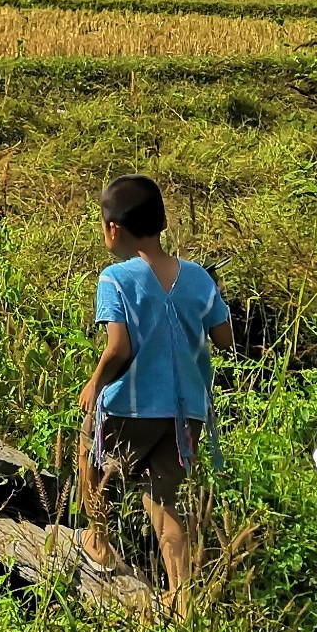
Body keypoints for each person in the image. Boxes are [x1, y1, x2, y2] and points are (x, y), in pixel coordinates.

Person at [75, 174, 234, 597]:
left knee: (91, 459)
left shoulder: (115, 278)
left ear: (113, 228)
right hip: (185, 413)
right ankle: (181, 597)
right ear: (163, 223)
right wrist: (210, 295)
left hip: (131, 406)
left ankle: (98, 541)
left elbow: (119, 347)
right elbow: (224, 339)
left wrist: (95, 383)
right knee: (164, 501)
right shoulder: (198, 278)